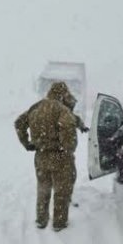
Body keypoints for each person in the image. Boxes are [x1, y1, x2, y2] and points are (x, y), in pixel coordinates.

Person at [14, 82, 78, 231]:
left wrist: (27, 143)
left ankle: (41, 220)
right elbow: (67, 128)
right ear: (63, 94)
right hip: (60, 157)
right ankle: (59, 223)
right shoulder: (62, 109)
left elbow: (19, 123)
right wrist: (68, 148)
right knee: (61, 191)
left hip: (41, 156)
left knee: (43, 188)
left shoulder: (36, 107)